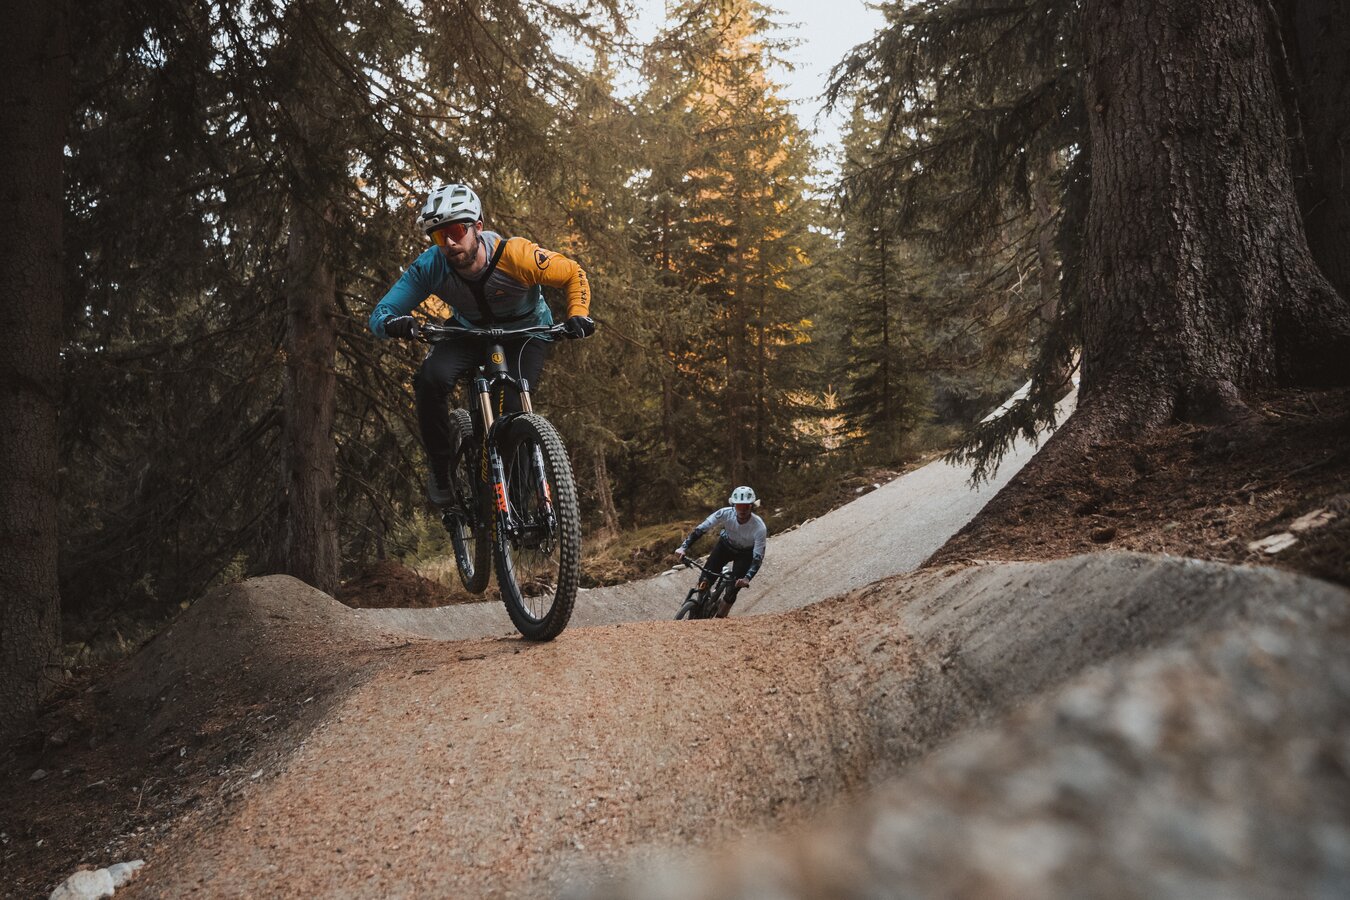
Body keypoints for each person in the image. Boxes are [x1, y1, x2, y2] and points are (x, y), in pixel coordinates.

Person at [368, 183, 595, 505]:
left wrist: (578, 315)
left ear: (478, 226)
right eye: (439, 236)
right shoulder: (431, 266)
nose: (449, 242)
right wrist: (395, 323)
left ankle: (515, 503)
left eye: (456, 231)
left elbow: (573, 274)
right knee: (431, 379)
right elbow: (381, 313)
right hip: (468, 332)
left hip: (525, 331)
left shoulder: (517, 255)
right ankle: (441, 469)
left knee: (513, 408)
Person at [674, 486, 767, 618]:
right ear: (733, 505)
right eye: (739, 506)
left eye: (746, 506)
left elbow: (757, 558)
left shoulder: (759, 527)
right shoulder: (725, 513)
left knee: (732, 590)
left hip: (745, 555)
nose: (742, 510)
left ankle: (720, 621)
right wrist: (683, 547)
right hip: (724, 547)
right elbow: (700, 529)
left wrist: (746, 578)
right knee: (705, 579)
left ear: (752, 506)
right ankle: (699, 602)